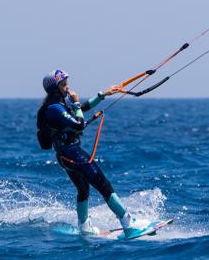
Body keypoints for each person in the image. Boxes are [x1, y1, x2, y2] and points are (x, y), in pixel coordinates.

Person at [37, 69, 148, 237]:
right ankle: (128, 223)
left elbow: (83, 107)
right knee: (104, 185)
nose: (68, 87)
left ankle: (85, 227)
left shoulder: (59, 105)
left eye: (67, 83)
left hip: (66, 155)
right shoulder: (54, 109)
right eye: (63, 84)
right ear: (55, 88)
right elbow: (79, 123)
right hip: (72, 154)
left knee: (83, 188)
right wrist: (75, 104)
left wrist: (104, 94)